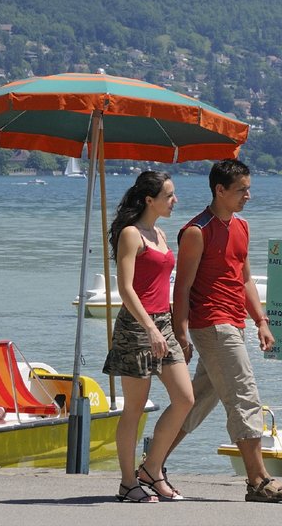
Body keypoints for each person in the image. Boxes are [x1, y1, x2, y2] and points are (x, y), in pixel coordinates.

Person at [168, 158, 282, 503]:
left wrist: (261, 321)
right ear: (220, 190)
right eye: (242, 190)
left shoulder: (241, 227)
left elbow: (243, 280)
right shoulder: (197, 231)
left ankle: (152, 464)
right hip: (211, 324)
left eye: (249, 189)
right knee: (245, 395)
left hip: (234, 323)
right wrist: (181, 333)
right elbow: (181, 288)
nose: (248, 196)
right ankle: (258, 481)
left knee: (196, 401)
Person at [103, 171, 194, 503]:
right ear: (149, 200)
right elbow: (125, 289)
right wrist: (150, 328)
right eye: (169, 195)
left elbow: (161, 287)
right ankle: (128, 483)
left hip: (164, 324)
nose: (175, 200)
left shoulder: (161, 234)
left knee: (185, 399)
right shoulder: (131, 235)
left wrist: (175, 329)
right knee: (135, 408)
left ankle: (152, 469)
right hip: (136, 328)